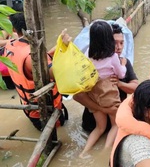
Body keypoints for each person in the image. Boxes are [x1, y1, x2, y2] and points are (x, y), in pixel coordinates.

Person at [4, 13, 68, 131]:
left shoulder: (10, 45)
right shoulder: (33, 56)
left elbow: (41, 64)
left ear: (13, 29)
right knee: (60, 132)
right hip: (45, 110)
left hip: (28, 106)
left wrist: (60, 45)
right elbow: (59, 74)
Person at [79, 21, 127, 158]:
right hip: (108, 93)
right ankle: (106, 150)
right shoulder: (112, 57)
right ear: (108, 39)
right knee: (115, 125)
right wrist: (123, 64)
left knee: (99, 128)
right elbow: (121, 74)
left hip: (93, 93)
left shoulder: (88, 52)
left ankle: (84, 152)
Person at [80, 23, 138, 133]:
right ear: (105, 41)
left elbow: (136, 88)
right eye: (114, 42)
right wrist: (103, 109)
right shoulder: (90, 64)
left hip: (110, 123)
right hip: (94, 123)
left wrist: (119, 84)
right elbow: (78, 96)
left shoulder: (123, 62)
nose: (119, 47)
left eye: (121, 43)